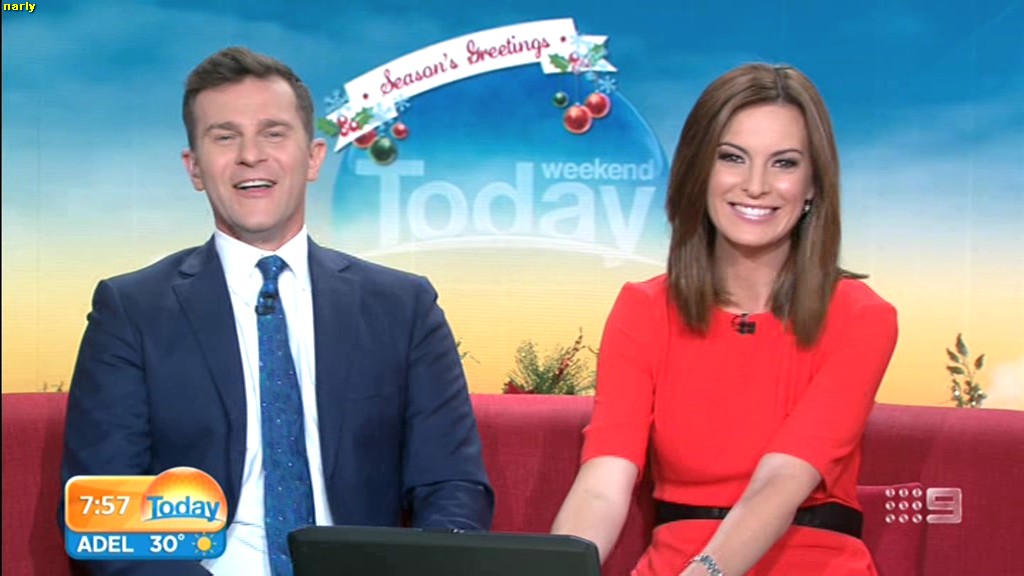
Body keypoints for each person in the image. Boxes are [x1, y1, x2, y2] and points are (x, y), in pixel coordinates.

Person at [60, 46, 494, 576]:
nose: (250, 155)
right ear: (194, 168)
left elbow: (451, 485)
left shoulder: (403, 307)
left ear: (313, 158)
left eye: (273, 133)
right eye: (225, 137)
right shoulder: (131, 311)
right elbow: (105, 510)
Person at [551, 63, 898, 575]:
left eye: (784, 163)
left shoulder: (861, 318)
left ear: (813, 186)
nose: (756, 185)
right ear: (699, 171)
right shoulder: (644, 310)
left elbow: (780, 482)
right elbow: (604, 483)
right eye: (732, 158)